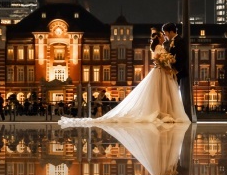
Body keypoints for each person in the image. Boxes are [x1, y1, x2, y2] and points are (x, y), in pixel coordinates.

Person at [58, 29, 189, 127]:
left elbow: (161, 59)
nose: (164, 36)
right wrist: (168, 62)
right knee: (161, 93)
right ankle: (162, 111)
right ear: (159, 38)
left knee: (158, 93)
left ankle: (161, 111)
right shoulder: (159, 47)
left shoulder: (159, 47)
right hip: (161, 72)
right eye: (162, 35)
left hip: (161, 72)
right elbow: (161, 59)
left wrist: (168, 62)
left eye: (164, 34)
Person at [162, 22, 192, 120]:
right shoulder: (174, 41)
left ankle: (175, 113)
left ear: (171, 32)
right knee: (173, 91)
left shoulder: (179, 40)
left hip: (177, 71)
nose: (165, 35)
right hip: (174, 71)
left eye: (165, 32)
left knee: (175, 92)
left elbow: (182, 56)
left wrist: (176, 69)